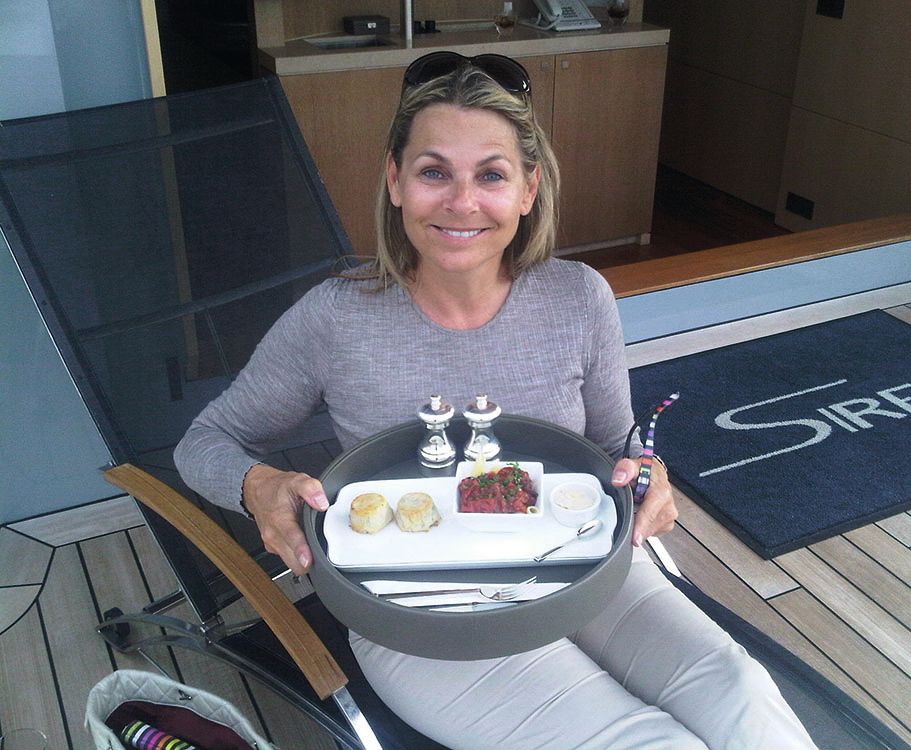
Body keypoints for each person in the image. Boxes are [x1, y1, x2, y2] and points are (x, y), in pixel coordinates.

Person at [175, 51, 817, 750]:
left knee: (742, 694)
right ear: (395, 182)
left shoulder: (578, 297)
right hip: (423, 615)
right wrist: (256, 484)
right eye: (432, 172)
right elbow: (205, 441)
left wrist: (647, 474)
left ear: (527, 189)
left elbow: (616, 443)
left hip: (584, 567)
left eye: (491, 174)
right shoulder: (338, 318)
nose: (461, 202)